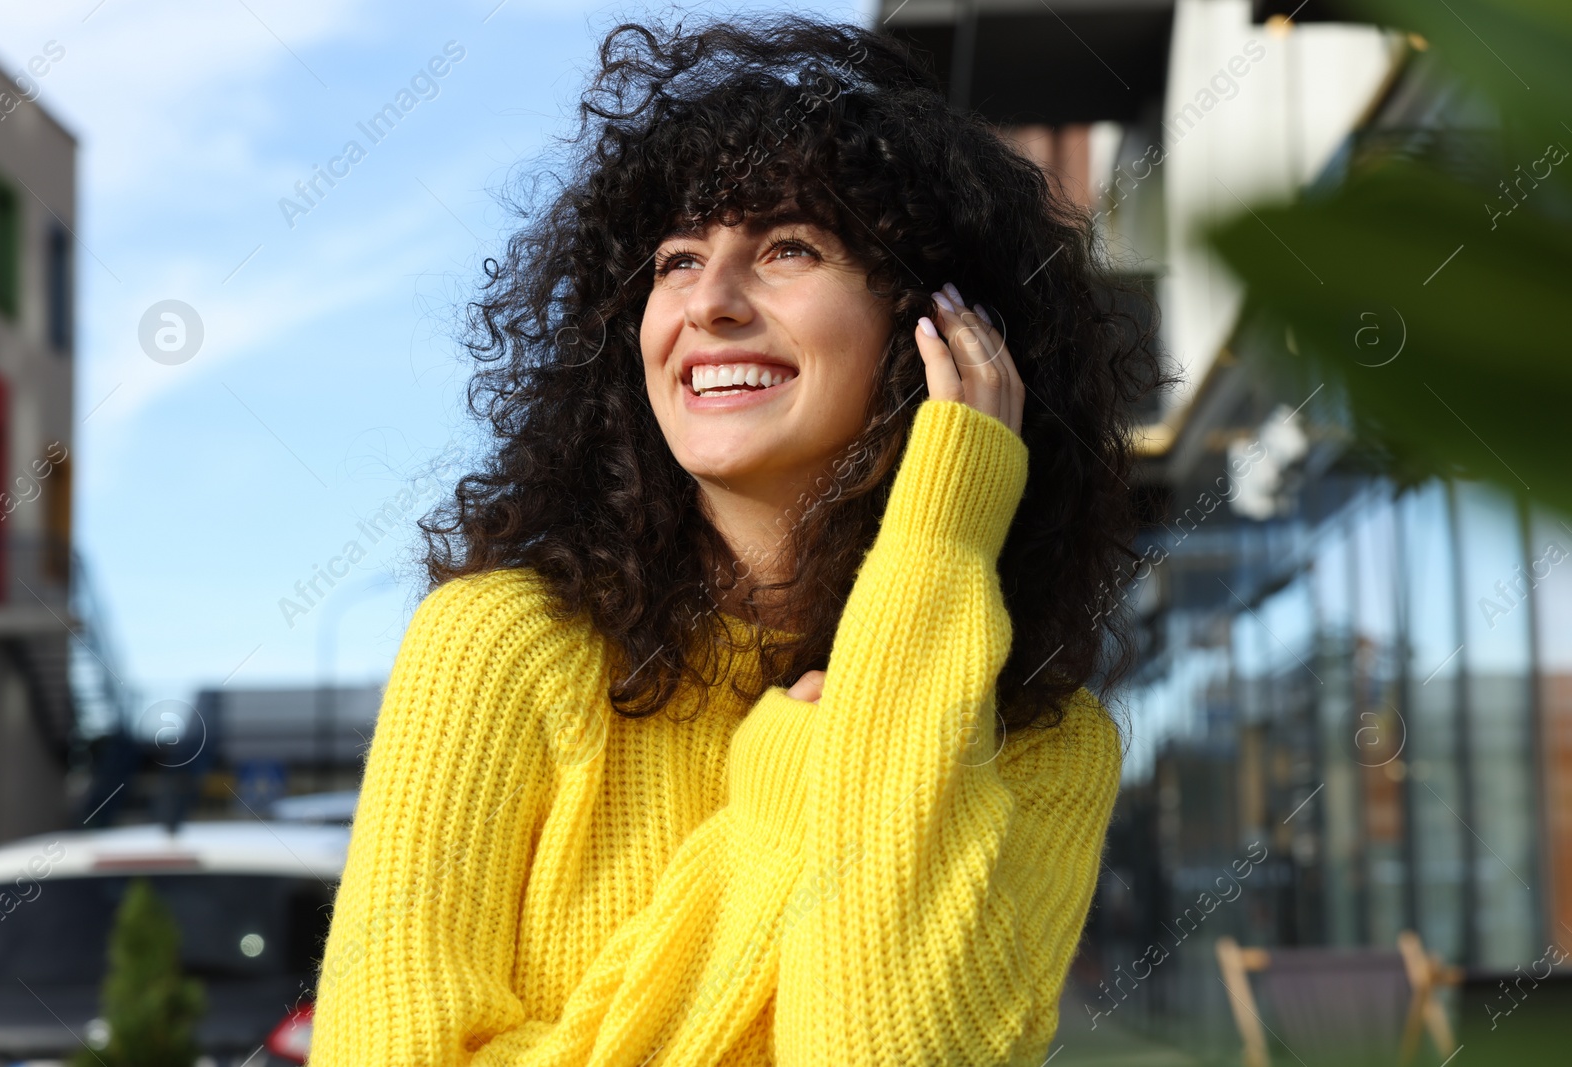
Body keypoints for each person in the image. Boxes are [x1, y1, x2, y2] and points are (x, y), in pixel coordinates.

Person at [308, 12, 1162, 1066]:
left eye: (788, 247)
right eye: (676, 259)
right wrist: (771, 827)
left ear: (938, 329)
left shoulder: (1039, 739)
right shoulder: (498, 647)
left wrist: (939, 540)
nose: (709, 301)